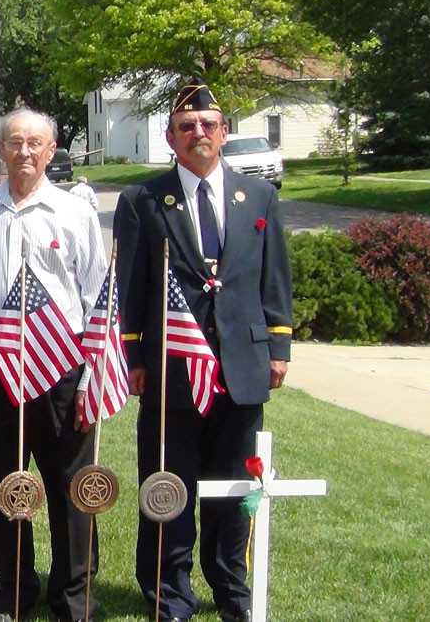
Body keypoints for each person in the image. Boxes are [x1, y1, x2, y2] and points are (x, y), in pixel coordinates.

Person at [113, 80, 292, 622]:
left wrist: (279, 345)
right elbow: (130, 285)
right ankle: (169, 588)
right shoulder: (142, 201)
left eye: (208, 125)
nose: (199, 134)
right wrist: (135, 357)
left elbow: (273, 278)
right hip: (172, 369)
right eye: (187, 127)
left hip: (241, 364)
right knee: (168, 484)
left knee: (236, 485)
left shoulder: (258, 196)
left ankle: (229, 581)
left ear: (224, 133)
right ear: (171, 137)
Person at [0, 108, 107, 622]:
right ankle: (10, 588)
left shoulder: (75, 212)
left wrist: (91, 376)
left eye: (35, 142)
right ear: (0, 149)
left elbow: (98, 298)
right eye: (14, 142)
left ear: (52, 149)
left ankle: (74, 596)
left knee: (69, 488)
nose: (24, 152)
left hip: (62, 367)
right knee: (2, 484)